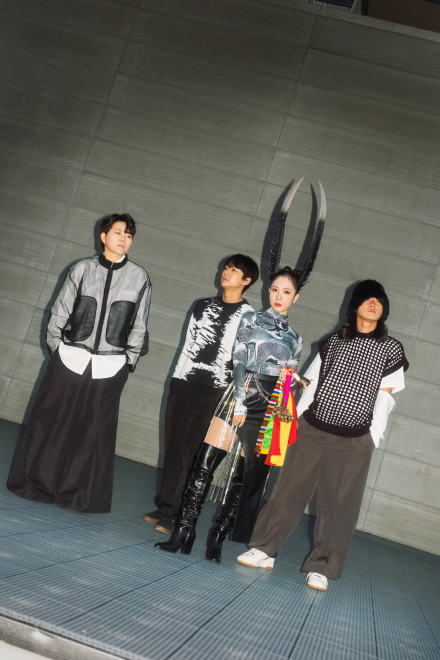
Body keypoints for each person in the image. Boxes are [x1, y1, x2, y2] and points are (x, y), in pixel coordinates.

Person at [155, 178, 328, 561]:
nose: (278, 295)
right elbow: (237, 359)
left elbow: (288, 376)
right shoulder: (250, 318)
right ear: (268, 290)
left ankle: (217, 538)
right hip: (239, 394)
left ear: (296, 297)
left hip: (269, 406)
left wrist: (287, 399)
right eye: (274, 289)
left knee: (243, 478)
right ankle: (184, 532)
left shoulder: (296, 338)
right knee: (205, 463)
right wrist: (237, 399)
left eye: (286, 292)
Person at [237, 279, 409, 592]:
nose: (373, 304)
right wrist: (298, 419)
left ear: (384, 310)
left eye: (379, 301)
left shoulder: (391, 349)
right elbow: (311, 382)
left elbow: (385, 398)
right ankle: (264, 549)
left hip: (354, 441)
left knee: (339, 506)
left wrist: (372, 438)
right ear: (355, 306)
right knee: (288, 491)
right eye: (367, 299)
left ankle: (322, 566)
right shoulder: (333, 342)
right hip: (312, 429)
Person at [7, 213, 151, 513]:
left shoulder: (140, 277)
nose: (124, 238)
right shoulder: (82, 269)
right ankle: (36, 485)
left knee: (93, 432)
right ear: (103, 236)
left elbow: (139, 324)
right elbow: (59, 312)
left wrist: (128, 362)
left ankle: (77, 496)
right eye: (118, 232)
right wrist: (58, 350)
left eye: (129, 235)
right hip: (70, 359)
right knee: (50, 424)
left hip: (110, 366)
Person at [143, 254, 259, 535]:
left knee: (192, 451)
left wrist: (239, 400)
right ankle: (165, 505)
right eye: (226, 267)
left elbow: (245, 362)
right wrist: (176, 378)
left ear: (246, 281)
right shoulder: (203, 305)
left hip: (215, 390)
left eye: (234, 270)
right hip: (184, 382)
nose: (226, 272)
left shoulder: (250, 317)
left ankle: (176, 513)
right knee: (173, 445)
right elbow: (188, 344)